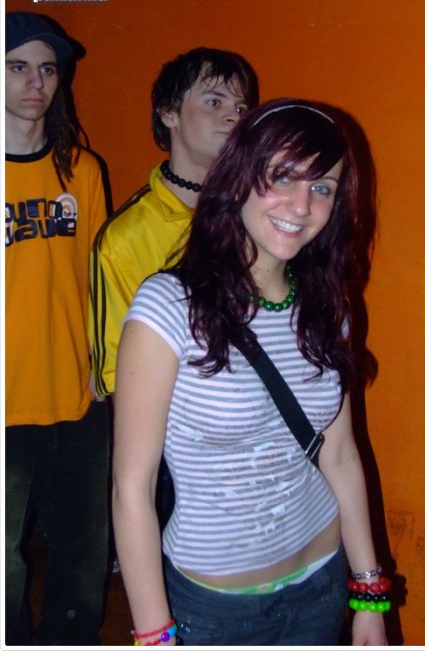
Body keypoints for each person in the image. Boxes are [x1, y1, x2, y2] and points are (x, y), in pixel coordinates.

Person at [112, 97, 389, 646]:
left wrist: (368, 593)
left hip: (322, 580)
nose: (301, 205)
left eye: (323, 187)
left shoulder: (327, 306)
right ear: (239, 176)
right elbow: (131, 489)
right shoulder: (168, 308)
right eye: (282, 176)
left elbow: (339, 454)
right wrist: (155, 636)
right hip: (216, 607)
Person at [89, 47, 259, 540]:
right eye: (213, 101)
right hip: (174, 445)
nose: (232, 116)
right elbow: (115, 373)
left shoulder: (261, 212)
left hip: (254, 430)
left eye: (241, 106)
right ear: (168, 113)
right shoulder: (127, 236)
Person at [4, 11, 109, 645]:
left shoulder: (83, 171)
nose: (35, 83)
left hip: (78, 398)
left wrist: (104, 366)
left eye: (47, 69)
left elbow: (99, 280)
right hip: (5, 403)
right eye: (17, 67)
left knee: (83, 558)